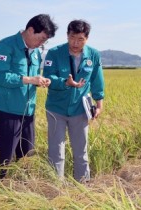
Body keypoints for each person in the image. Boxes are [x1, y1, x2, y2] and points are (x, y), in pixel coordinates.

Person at [0, 14, 58, 179]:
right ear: (30, 30)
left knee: (27, 155)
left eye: (45, 41)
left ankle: (22, 190)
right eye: (41, 39)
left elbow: (33, 76)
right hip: (8, 111)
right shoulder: (6, 45)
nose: (42, 44)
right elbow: (1, 76)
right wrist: (29, 79)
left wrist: (39, 81)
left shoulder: (35, 52)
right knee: (5, 156)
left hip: (28, 112)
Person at [43, 19, 105, 182]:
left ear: (87, 38)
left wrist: (99, 105)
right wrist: (65, 82)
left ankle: (83, 187)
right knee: (56, 152)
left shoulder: (93, 55)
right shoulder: (54, 53)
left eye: (80, 39)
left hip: (80, 109)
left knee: (81, 151)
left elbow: (97, 81)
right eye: (72, 38)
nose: (75, 43)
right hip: (56, 109)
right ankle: (55, 188)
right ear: (67, 35)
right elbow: (49, 77)